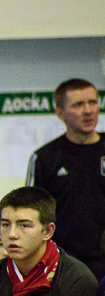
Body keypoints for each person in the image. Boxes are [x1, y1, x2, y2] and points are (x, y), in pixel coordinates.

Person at [26, 79, 105, 280]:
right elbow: (28, 215)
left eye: (93, 102)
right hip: (63, 267)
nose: (88, 111)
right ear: (60, 113)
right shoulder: (45, 158)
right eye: (78, 105)